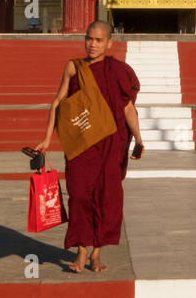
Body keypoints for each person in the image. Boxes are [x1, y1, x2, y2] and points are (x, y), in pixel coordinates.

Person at [34, 20, 145, 273]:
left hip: (110, 143)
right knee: (80, 195)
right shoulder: (74, 67)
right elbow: (57, 102)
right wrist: (47, 138)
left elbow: (127, 107)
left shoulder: (118, 70)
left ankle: (96, 253)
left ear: (109, 43)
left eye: (98, 40)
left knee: (107, 197)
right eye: (89, 39)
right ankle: (81, 250)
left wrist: (138, 138)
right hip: (83, 144)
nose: (92, 44)